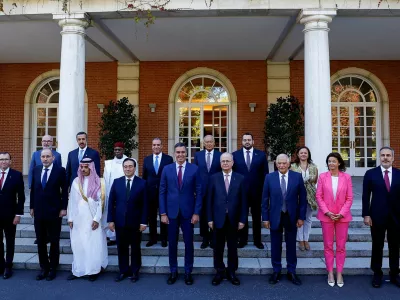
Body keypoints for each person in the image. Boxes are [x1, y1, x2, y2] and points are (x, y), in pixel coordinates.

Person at [159, 142, 202, 285]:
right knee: (172, 244)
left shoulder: (194, 169)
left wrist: (196, 213)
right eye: (178, 152)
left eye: (183, 152)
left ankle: (188, 272)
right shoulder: (167, 169)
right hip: (171, 213)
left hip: (188, 213)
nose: (180, 155)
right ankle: (173, 271)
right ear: (174, 153)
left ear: (186, 153)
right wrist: (163, 213)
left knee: (189, 244)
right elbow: (162, 192)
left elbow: (199, 192)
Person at [262, 154, 307, 286]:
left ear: (289, 164)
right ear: (276, 164)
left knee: (291, 245)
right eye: (279, 163)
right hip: (275, 216)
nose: (281, 165)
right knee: (275, 245)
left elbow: (303, 200)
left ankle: (291, 271)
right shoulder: (269, 177)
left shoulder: (297, 177)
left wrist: (301, 217)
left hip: (291, 216)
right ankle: (276, 270)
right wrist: (265, 218)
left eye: (284, 163)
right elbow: (265, 199)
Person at [362, 146, 400, 288]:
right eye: (383, 155)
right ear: (379, 157)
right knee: (377, 245)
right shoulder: (370, 174)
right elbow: (366, 196)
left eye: (388, 155)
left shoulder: (398, 174)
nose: (385, 157)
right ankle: (377, 273)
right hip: (376, 216)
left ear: (393, 158)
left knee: (395, 246)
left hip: (396, 217)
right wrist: (366, 214)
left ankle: (395, 273)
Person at [207, 152, 247, 286]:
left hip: (234, 220)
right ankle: (219, 271)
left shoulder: (240, 178)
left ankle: (231, 272)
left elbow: (244, 201)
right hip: (217, 219)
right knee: (217, 248)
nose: (225, 163)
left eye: (227, 161)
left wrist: (242, 219)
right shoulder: (213, 178)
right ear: (220, 163)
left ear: (232, 163)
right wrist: (209, 219)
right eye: (223, 161)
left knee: (232, 248)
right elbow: (209, 201)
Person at [67, 158, 108, 281]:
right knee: (78, 244)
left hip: (92, 217)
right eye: (82, 167)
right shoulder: (75, 182)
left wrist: (96, 219)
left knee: (92, 244)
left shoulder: (99, 182)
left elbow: (101, 202)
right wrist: (70, 218)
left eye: (86, 167)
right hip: (78, 218)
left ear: (91, 167)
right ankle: (79, 270)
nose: (84, 169)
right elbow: (72, 201)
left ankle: (93, 270)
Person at [30, 149, 68, 281]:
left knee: (54, 241)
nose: (45, 159)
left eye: (48, 156)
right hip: (39, 212)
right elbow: (33, 190)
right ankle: (44, 268)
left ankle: (53, 268)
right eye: (43, 157)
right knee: (40, 241)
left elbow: (64, 191)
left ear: (53, 158)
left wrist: (64, 208)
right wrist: (31, 207)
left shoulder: (60, 171)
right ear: (40, 158)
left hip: (54, 212)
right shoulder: (36, 170)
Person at [108, 158, 148, 283]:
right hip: (120, 222)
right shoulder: (117, 182)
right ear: (123, 168)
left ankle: (135, 271)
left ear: (135, 168)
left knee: (135, 248)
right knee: (122, 248)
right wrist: (110, 220)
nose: (128, 168)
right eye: (125, 166)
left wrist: (143, 222)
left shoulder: (142, 183)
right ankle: (123, 271)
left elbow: (145, 205)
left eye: (130, 166)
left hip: (135, 223)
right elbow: (111, 202)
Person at [316, 152, 353, 287]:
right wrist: (327, 212)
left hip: (342, 217)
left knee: (341, 246)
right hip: (327, 217)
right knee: (328, 245)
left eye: (333, 161)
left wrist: (342, 213)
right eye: (329, 161)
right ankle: (330, 272)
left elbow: (349, 198)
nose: (331, 164)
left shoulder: (346, 177)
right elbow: (319, 196)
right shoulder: (322, 177)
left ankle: (339, 273)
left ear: (339, 163)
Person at [232, 133, 268, 249]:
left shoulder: (261, 155)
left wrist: (264, 191)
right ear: (241, 142)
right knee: (242, 216)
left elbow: (265, 175)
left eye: (249, 140)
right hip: (240, 192)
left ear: (253, 141)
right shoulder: (235, 155)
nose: (247, 142)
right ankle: (242, 240)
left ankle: (258, 241)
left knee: (257, 217)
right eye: (244, 140)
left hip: (257, 192)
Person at [142, 138, 173, 248]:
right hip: (150, 193)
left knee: (164, 216)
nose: (156, 147)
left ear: (162, 146)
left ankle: (164, 239)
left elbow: (171, 177)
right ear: (152, 146)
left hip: (164, 193)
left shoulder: (168, 159)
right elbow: (144, 178)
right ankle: (153, 238)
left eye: (158, 145)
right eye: (154, 145)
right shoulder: (147, 160)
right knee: (151, 217)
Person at [194, 135, 222, 249]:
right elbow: (195, 173)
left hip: (217, 190)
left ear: (214, 143)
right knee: (204, 215)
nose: (209, 144)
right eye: (207, 142)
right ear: (203, 144)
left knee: (215, 215)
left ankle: (214, 238)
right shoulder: (198, 155)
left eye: (211, 142)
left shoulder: (220, 155)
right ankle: (205, 239)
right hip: (202, 190)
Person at [0, 152, 25, 279]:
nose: (3, 162)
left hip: (10, 216)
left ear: (10, 161)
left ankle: (8, 266)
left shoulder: (16, 175)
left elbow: (21, 197)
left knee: (10, 241)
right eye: (1, 159)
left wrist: (18, 214)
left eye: (6, 159)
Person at [290, 146, 318, 251]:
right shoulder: (293, 166)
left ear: (308, 154)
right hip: (296, 196)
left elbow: (314, 181)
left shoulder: (313, 167)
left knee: (308, 219)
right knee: (298, 218)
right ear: (298, 154)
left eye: (305, 153)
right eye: (301, 153)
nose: (303, 154)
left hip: (310, 196)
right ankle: (300, 240)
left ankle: (306, 239)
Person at [104, 142, 129, 246]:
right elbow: (105, 179)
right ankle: (112, 237)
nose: (117, 151)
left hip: (125, 194)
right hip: (111, 192)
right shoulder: (109, 163)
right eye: (115, 150)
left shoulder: (129, 162)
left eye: (119, 149)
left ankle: (125, 236)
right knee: (112, 214)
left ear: (123, 150)